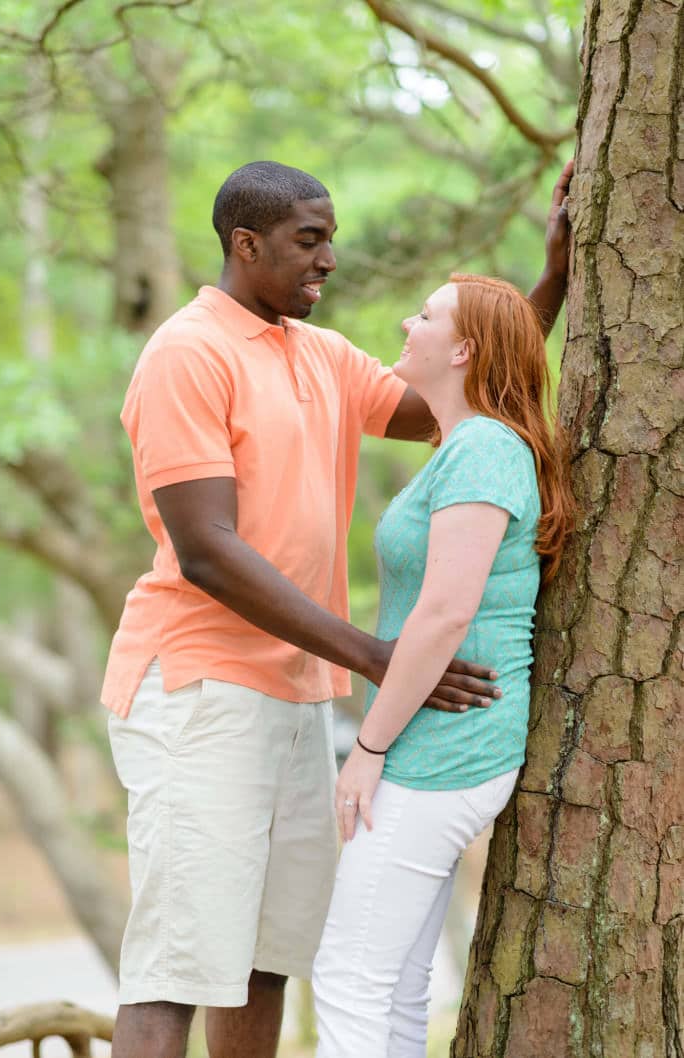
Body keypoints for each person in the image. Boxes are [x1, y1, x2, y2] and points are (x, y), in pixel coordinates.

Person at [101, 158, 574, 1058]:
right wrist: (373, 654)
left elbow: (461, 392)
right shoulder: (186, 354)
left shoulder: (317, 353)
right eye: (307, 242)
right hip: (198, 690)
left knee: (264, 961)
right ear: (247, 245)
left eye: (330, 242)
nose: (327, 262)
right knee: (176, 968)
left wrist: (548, 284)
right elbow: (206, 549)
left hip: (298, 697)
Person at [311, 274, 574, 1056]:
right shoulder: (465, 445)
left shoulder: (486, 448)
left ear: (462, 349)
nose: (405, 321)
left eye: (423, 315)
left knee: (348, 980)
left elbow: (444, 612)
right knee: (392, 987)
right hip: (437, 747)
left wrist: (369, 749)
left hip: (440, 756)